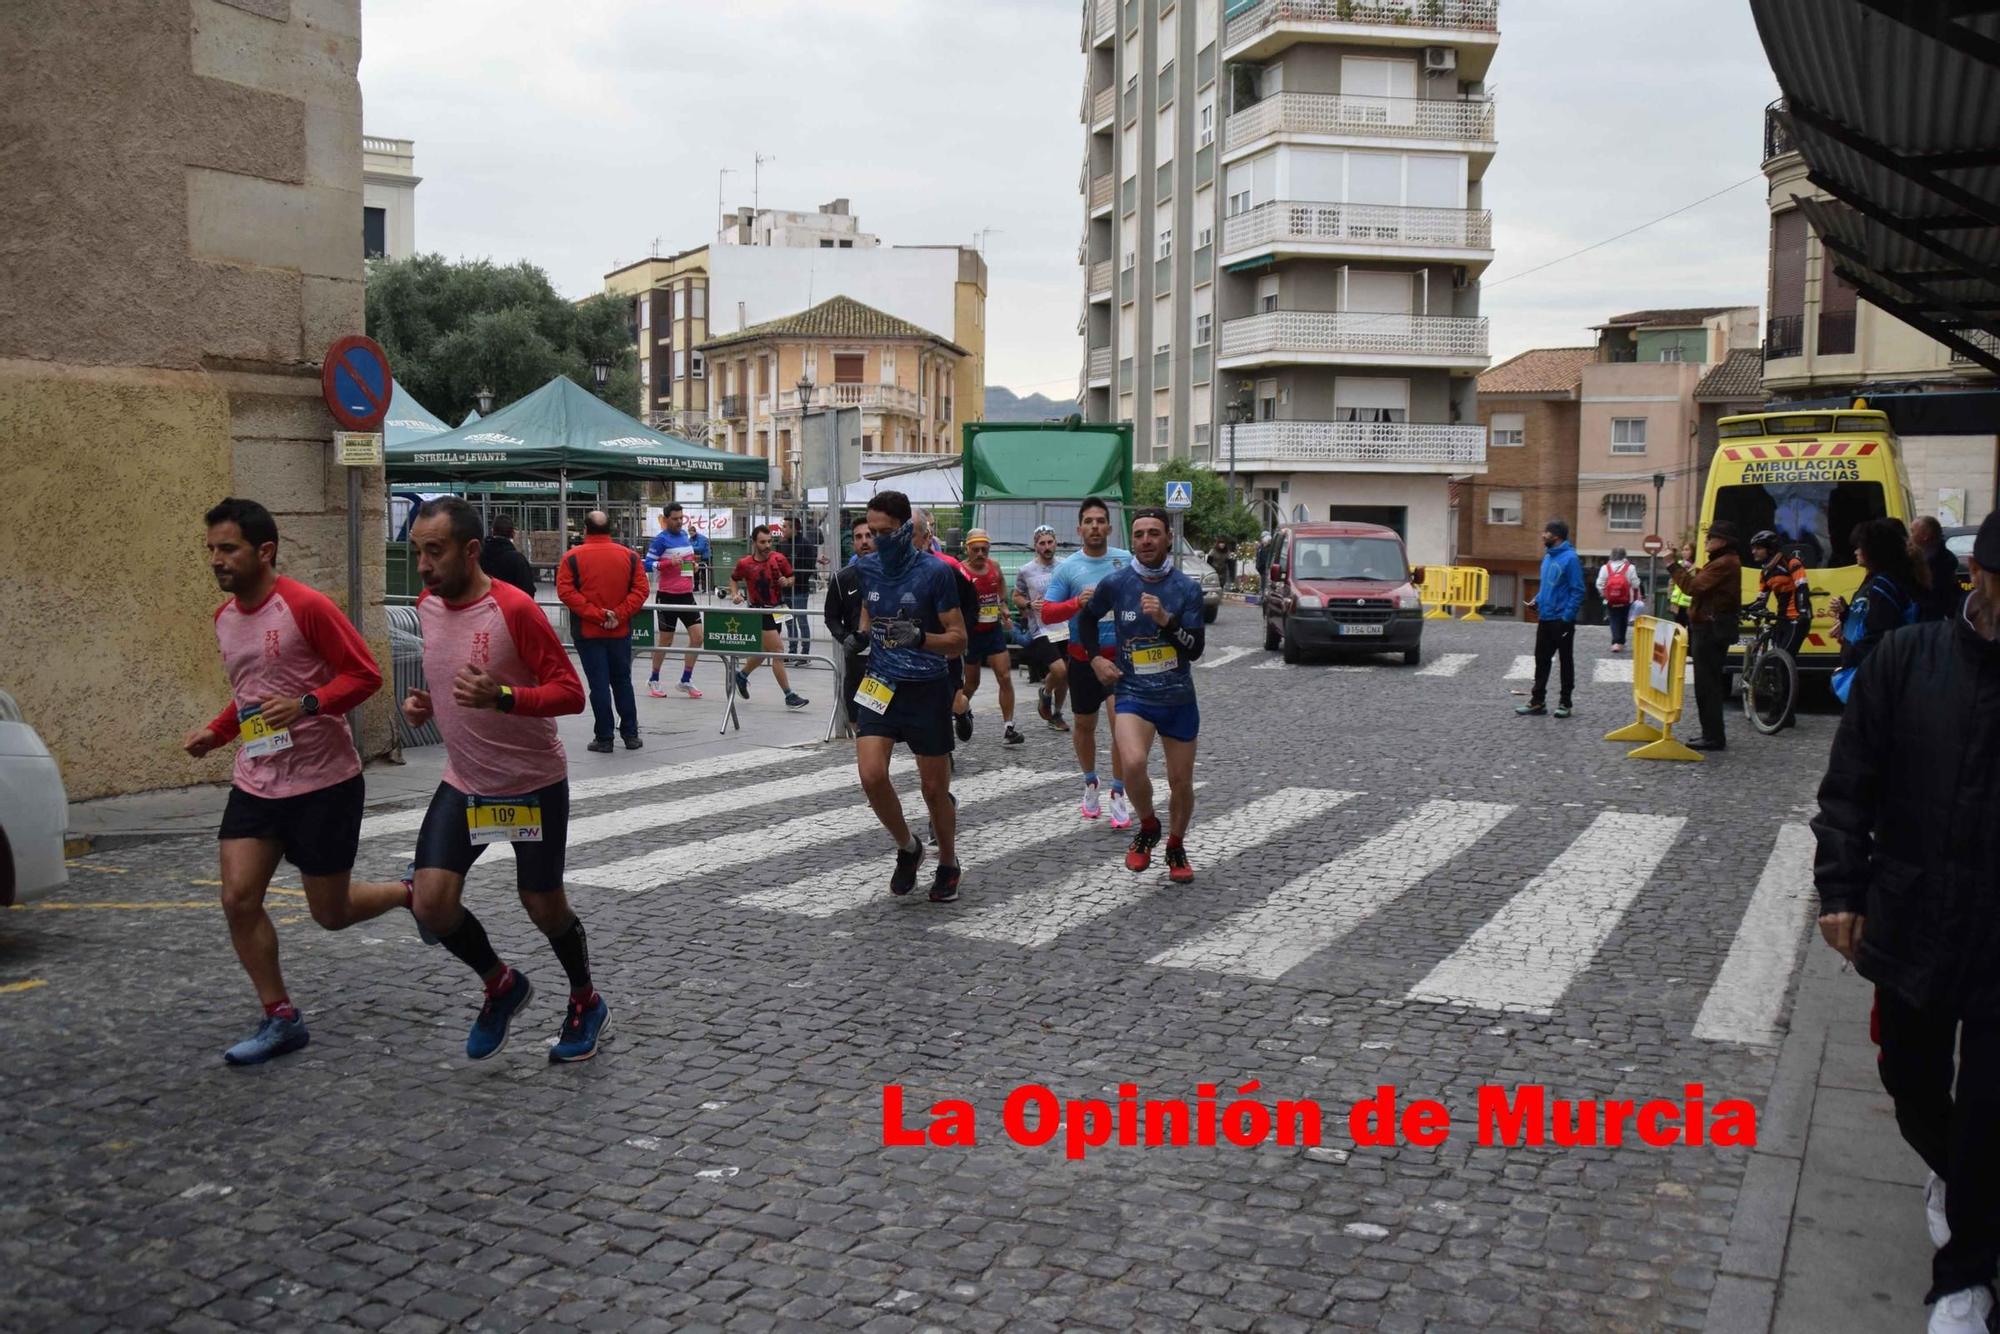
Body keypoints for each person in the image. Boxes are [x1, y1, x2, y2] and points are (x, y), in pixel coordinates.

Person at [1810, 509, 2000, 1334]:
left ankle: (1965, 1278)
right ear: (1985, 580)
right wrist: (1841, 890)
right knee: (1910, 1079)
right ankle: (1957, 1175)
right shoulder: (1908, 660)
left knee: (1993, 1110)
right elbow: (1849, 786)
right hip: (1914, 912)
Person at [356, 498, 607, 1063]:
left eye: (435, 551)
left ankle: (585, 1000)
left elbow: (570, 692)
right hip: (466, 782)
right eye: (417, 551)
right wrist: (426, 703)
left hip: (531, 783)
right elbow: (451, 679)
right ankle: (500, 984)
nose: (422, 564)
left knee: (543, 906)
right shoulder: (426, 604)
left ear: (471, 551)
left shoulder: (514, 609)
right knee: (431, 904)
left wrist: (504, 696)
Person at [182, 498, 396, 1065]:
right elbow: (250, 695)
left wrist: (308, 704)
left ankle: (410, 893)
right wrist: (218, 731)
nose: (216, 561)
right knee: (238, 898)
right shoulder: (224, 619)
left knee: (331, 913)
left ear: (264, 551)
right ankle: (281, 1016)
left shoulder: (306, 607)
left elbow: (365, 675)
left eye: (227, 548)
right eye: (211, 550)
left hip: (324, 782)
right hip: (257, 780)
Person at [851, 490, 969, 903]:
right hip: (880, 682)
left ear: (906, 529)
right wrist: (862, 636)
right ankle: (908, 847)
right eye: (871, 532)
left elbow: (958, 640)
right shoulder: (865, 569)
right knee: (870, 776)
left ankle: (949, 862)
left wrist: (920, 638)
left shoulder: (936, 573)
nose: (878, 539)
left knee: (934, 790)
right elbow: (871, 610)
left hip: (927, 686)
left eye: (886, 532)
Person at [1076, 508, 1206, 882]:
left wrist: (1168, 621)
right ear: (1131, 540)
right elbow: (1086, 619)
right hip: (1133, 692)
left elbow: (1195, 649)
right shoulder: (1118, 584)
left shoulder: (1186, 589)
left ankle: (1176, 844)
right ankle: (1148, 825)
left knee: (1181, 781)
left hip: (1178, 697)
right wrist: (1096, 659)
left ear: (1167, 538)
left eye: (1153, 533)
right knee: (1132, 763)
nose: (1146, 541)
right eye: (1139, 535)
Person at [1031, 497, 1136, 826]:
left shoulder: (1126, 561)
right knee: (1084, 727)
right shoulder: (1068, 568)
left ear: (1109, 526)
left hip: (1119, 659)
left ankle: (1119, 793)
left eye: (1100, 521)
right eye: (1088, 521)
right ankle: (1091, 782)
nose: (1094, 526)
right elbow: (1046, 612)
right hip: (1081, 659)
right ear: (1079, 529)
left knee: (1123, 727)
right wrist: (1077, 602)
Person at [555, 510, 650, 753]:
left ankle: (604, 737)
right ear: (612, 529)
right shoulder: (629, 557)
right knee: (622, 681)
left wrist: (597, 615)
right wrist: (618, 614)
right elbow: (641, 590)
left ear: (585, 530)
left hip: (588, 632)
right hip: (620, 630)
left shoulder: (571, 558)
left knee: (598, 684)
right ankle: (630, 734)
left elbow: (566, 592)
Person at [1668, 520, 1746, 752]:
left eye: (1711, 538)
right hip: (1710, 627)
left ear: (1722, 541)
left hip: (1711, 629)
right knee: (1707, 683)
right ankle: (1710, 733)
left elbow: (1694, 588)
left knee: (1708, 685)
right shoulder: (1723, 562)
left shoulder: (1724, 563)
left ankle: (1713, 736)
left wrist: (1672, 565)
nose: (1707, 541)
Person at [1828, 517, 1925, 704]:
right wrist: (1845, 612)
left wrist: (1851, 658)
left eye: (1860, 546)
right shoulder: (1879, 580)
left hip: (1873, 673)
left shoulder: (1884, 585)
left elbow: (1880, 631)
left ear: (1873, 550)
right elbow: (1866, 617)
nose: (1855, 551)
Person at [912, 508, 982, 743]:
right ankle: (940, 749)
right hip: (916, 649)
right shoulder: (896, 569)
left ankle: (962, 713)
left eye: (913, 535)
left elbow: (972, 602)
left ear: (927, 537)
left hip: (946, 648)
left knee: (954, 700)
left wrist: (962, 635)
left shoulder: (948, 566)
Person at [728, 524, 810, 709]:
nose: (767, 545)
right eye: (762, 542)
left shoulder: (779, 559)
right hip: (759, 611)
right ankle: (789, 695)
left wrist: (786, 581)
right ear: (754, 542)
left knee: (764, 652)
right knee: (778, 652)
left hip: (777, 609)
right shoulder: (745, 563)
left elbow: (791, 577)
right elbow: (733, 578)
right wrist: (735, 595)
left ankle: (741, 676)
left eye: (769, 541)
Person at [959, 529, 1024, 745]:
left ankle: (1009, 727)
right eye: (975, 549)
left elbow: (1001, 585)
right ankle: (960, 712)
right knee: (972, 683)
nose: (980, 553)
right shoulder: (960, 571)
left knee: (1004, 676)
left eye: (984, 549)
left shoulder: (994, 566)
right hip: (971, 635)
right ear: (967, 548)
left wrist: (1003, 605)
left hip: (993, 631)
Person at [1517, 519, 1584, 719]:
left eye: (1546, 533)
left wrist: (1567, 617)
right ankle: (1538, 702)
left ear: (1556, 536)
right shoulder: (1547, 558)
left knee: (1565, 661)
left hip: (1561, 620)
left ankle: (1565, 702)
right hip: (1545, 617)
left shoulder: (1571, 559)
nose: (1542, 536)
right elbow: (1548, 586)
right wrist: (1537, 600)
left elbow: (1578, 590)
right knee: (1541, 660)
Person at [644, 503, 709, 699]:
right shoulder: (660, 540)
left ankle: (685, 680)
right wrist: (667, 563)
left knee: (698, 638)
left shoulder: (684, 536)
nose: (679, 522)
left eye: (681, 518)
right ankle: (654, 678)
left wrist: (694, 566)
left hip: (686, 595)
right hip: (667, 596)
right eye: (675, 519)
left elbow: (687, 562)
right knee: (666, 640)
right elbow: (647, 564)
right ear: (665, 520)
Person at [1748, 528, 1812, 730]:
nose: (1754, 552)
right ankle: (1788, 715)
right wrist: (1745, 609)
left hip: (1797, 619)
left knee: (1783, 664)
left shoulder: (1792, 564)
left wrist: (1802, 612)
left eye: (1758, 548)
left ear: (1769, 548)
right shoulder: (1765, 572)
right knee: (1778, 662)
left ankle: (1778, 713)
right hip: (1782, 619)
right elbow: (1761, 600)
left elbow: (1802, 588)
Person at [1016, 524, 1071, 733]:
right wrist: (1029, 605)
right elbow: (1017, 596)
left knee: (1065, 675)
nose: (1047, 546)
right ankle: (1046, 693)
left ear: (1056, 543)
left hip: (1065, 625)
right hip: (1041, 628)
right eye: (1042, 543)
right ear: (1035, 546)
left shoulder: (1066, 566)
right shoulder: (1026, 570)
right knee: (1059, 670)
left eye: (1050, 542)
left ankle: (1056, 714)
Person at [824, 515, 875, 734]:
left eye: (869, 535)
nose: (864, 541)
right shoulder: (842, 578)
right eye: (858, 537)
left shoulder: (894, 575)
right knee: (860, 724)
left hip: (889, 662)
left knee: (883, 724)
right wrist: (846, 638)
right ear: (853, 542)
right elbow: (831, 616)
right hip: (857, 663)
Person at [1912, 515, 1966, 623]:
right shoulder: (1920, 556)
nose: (1910, 535)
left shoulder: (1942, 562)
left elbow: (1937, 597)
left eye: (1913, 531)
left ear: (1925, 536)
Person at [785, 517, 820, 664]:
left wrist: (796, 578)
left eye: (786, 527)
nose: (783, 529)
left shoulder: (806, 544)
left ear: (794, 528)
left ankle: (805, 654)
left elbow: (809, 567)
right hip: (785, 589)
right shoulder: (782, 544)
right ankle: (792, 651)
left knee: (801, 620)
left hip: (800, 589)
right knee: (788, 620)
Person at [479, 514, 538, 596]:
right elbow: (528, 590)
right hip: (510, 606)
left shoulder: (478, 556)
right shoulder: (518, 560)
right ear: (513, 533)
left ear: (492, 531)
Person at [1596, 546, 1638, 654]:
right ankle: (1621, 642)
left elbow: (1599, 584)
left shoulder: (1605, 567)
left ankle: (1615, 642)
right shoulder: (1630, 567)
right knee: (1623, 619)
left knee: (1614, 619)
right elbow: (1635, 584)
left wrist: (1605, 594)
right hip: (1626, 599)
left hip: (1611, 599)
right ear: (1625, 555)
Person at [1669, 542, 1696, 627]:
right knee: (1678, 631)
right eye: (1683, 550)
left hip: (1690, 605)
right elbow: (1671, 583)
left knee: (1690, 631)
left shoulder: (1697, 566)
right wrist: (1670, 597)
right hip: (1677, 604)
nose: (1684, 552)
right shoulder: (1679, 564)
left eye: (1687, 550)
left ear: (1694, 551)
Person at [1254, 531, 1274, 595]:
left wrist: (1260, 567)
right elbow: (1258, 558)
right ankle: (1261, 598)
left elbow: (1265, 560)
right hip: (1261, 570)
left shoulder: (1269, 549)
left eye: (1262, 538)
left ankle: (1263, 599)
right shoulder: (1260, 547)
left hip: (1265, 570)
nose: (1261, 539)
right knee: (1262, 585)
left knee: (1265, 586)